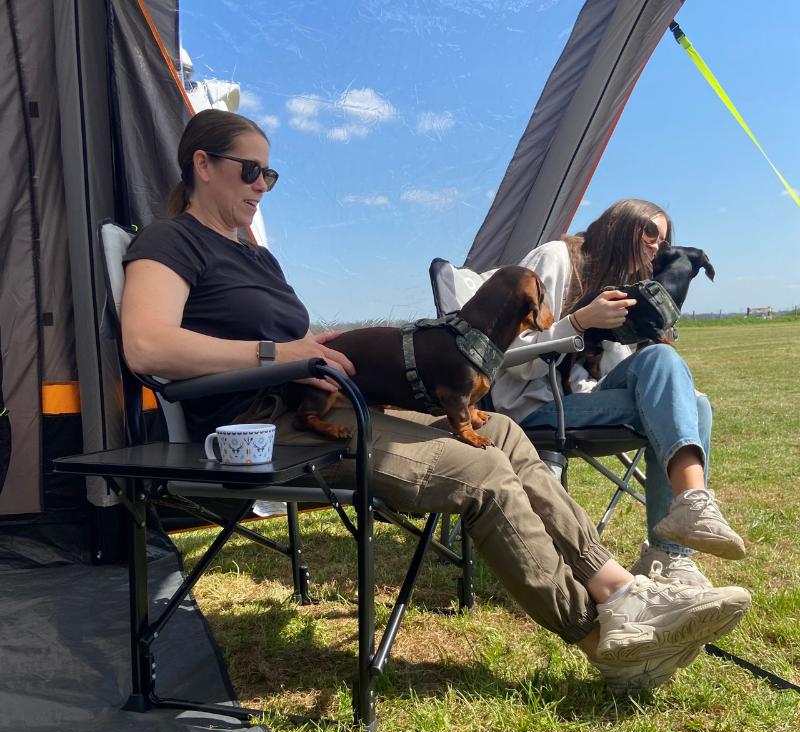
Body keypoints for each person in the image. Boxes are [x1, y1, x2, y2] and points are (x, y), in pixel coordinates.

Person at [120, 110, 751, 692]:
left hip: (328, 403)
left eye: (271, 174)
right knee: (479, 471)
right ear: (201, 164)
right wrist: (276, 355)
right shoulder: (169, 243)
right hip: (268, 431)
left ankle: (619, 591)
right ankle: (601, 638)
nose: (262, 185)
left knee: (502, 433)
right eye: (250, 170)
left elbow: (285, 339)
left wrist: (316, 344)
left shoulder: (254, 255)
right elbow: (148, 347)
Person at [491, 199, 745, 588]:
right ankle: (677, 539)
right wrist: (577, 322)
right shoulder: (557, 259)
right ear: (619, 226)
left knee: (693, 399)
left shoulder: (624, 287)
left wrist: (645, 331)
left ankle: (672, 551)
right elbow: (502, 355)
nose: (657, 245)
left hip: (584, 400)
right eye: (649, 232)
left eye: (664, 238)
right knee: (687, 404)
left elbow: (623, 370)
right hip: (532, 408)